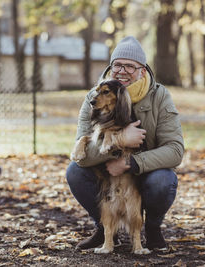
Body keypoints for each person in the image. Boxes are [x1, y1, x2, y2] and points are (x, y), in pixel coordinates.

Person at [66, 36, 184, 251]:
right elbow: (82, 156)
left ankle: (153, 229)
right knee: (74, 172)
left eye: (130, 66)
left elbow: (175, 151)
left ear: (142, 70)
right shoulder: (94, 97)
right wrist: (120, 140)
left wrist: (132, 162)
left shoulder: (159, 96)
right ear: (111, 68)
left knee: (163, 180)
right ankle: (105, 229)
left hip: (146, 170)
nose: (122, 70)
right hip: (106, 172)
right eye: (117, 65)